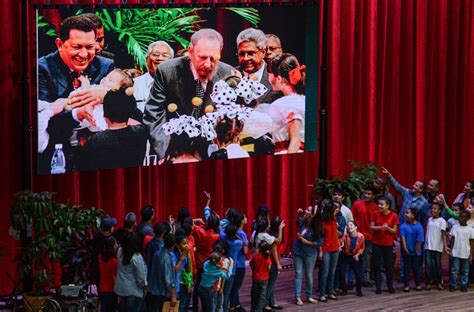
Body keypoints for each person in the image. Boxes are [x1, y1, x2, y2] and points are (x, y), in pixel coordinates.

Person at [37, 14, 114, 173]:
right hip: (55, 153)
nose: (84, 55)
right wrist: (77, 113)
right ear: (59, 44)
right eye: (77, 47)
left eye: (90, 47)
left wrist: (105, 95)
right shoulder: (41, 69)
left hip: (98, 150)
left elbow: (125, 109)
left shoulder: (106, 66)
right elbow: (42, 122)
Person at [144, 28, 234, 159]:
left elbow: (232, 120)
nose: (208, 64)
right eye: (202, 57)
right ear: (190, 52)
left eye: (214, 58)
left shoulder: (227, 74)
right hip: (174, 149)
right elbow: (154, 115)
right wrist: (167, 154)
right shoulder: (167, 71)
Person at [75, 88, 148, 171]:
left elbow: (81, 167)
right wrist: (121, 97)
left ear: (104, 116)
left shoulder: (96, 140)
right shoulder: (141, 132)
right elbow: (139, 116)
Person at [264, 53, 305, 154]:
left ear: (278, 78)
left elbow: (295, 140)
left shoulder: (286, 103)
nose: (268, 78)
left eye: (269, 74)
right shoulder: (304, 100)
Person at [235, 28, 282, 105]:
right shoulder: (230, 75)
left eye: (251, 53)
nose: (246, 58)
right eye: (241, 54)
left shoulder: (277, 78)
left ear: (263, 52)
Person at [293, 205, 322, 305]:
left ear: (313, 214)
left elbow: (319, 242)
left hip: (310, 253)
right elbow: (297, 223)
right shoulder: (304, 221)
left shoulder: (318, 227)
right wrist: (298, 214)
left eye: (308, 210)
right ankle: (298, 297)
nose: (306, 210)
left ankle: (309, 296)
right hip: (298, 251)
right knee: (298, 273)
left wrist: (307, 242)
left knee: (309, 275)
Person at [134, 41, 174, 112]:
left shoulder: (177, 86)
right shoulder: (135, 84)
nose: (160, 58)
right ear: (147, 59)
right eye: (155, 54)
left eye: (165, 55)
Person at [192, 214, 221, 312]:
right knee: (210, 287)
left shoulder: (199, 231)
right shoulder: (217, 236)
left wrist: (197, 219)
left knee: (197, 287)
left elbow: (189, 223)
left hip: (199, 263)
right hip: (210, 264)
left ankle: (195, 307)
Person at [351, 185, 379, 285]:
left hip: (370, 237)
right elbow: (351, 218)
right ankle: (356, 278)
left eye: (369, 194)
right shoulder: (357, 204)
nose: (366, 195)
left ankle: (364, 278)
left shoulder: (376, 207)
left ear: (374, 196)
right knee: (355, 256)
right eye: (365, 193)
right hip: (357, 236)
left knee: (366, 257)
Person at [370, 197, 398, 294]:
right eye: (379, 204)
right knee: (377, 265)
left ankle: (390, 286)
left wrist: (388, 228)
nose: (379, 206)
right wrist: (381, 227)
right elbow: (371, 227)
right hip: (377, 243)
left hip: (388, 244)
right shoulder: (375, 214)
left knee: (388, 266)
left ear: (387, 206)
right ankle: (378, 286)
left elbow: (394, 230)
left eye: (382, 204)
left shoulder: (393, 216)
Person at [114, 233, 148, 312]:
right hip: (133, 291)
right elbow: (141, 277)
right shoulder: (136, 257)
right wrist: (145, 287)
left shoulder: (119, 252)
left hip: (121, 289)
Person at [148, 233, 177, 312]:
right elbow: (168, 280)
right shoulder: (166, 258)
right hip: (162, 293)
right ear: (174, 245)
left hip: (153, 290)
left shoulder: (157, 254)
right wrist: (173, 296)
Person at [448, 210, 474, 292]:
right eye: (459, 216)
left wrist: (471, 254)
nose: (459, 218)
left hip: (465, 253)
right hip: (456, 252)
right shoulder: (455, 227)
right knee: (454, 270)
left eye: (462, 217)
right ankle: (453, 285)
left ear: (467, 219)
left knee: (465, 271)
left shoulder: (470, 229)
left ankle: (464, 285)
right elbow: (452, 239)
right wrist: (451, 250)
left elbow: (472, 242)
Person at [319, 201, 340, 302]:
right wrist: (321, 251)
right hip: (326, 249)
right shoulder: (323, 223)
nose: (336, 211)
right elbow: (320, 238)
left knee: (332, 272)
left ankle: (330, 292)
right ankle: (322, 293)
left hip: (335, 248)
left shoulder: (334, 219)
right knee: (325, 272)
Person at [399, 208, 424, 292]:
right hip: (406, 252)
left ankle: (418, 284)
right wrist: (406, 250)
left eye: (407, 213)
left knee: (416, 269)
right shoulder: (403, 226)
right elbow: (403, 239)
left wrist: (415, 250)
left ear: (413, 216)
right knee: (406, 269)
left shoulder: (419, 227)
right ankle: (406, 285)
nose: (405, 214)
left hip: (416, 252)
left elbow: (419, 240)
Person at [424, 202, 447, 290]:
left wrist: (445, 246)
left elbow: (443, 234)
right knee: (428, 265)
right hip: (428, 246)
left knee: (437, 265)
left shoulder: (442, 221)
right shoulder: (429, 219)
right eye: (432, 208)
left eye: (435, 209)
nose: (433, 210)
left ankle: (439, 282)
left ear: (439, 211)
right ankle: (428, 282)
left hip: (437, 247)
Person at [339, 221, 365, 297]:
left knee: (359, 274)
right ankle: (344, 290)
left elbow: (362, 248)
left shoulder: (361, 236)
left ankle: (359, 290)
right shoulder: (345, 236)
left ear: (356, 227)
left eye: (351, 225)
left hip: (354, 256)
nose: (349, 227)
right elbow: (339, 242)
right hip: (344, 256)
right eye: (348, 225)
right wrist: (339, 247)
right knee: (342, 273)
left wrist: (358, 254)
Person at [229, 213, 249, 312]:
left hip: (233, 263)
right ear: (241, 221)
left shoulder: (233, 231)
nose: (246, 218)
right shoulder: (242, 233)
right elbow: (245, 251)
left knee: (234, 285)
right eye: (244, 217)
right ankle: (233, 306)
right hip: (240, 263)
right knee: (236, 286)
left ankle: (236, 304)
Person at [265, 216, 284, 311]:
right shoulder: (274, 236)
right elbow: (274, 250)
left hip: (270, 261)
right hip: (272, 262)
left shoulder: (271, 233)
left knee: (271, 283)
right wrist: (278, 264)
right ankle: (265, 304)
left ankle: (271, 302)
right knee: (271, 284)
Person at [250, 242, 272, 312]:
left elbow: (251, 264)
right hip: (264, 278)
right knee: (262, 296)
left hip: (255, 277)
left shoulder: (255, 255)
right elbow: (269, 267)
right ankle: (259, 310)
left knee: (254, 294)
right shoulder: (267, 256)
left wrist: (254, 270)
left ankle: (253, 309)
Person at [98, 236, 118, 312]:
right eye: (116, 244)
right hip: (111, 290)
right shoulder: (114, 262)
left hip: (102, 288)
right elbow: (114, 278)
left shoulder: (100, 257)